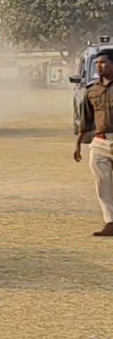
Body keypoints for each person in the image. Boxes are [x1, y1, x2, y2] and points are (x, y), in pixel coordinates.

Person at [74, 50, 113, 236]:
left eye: (103, 62)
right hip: (99, 142)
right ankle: (110, 221)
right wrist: (79, 144)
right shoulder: (91, 90)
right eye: (97, 63)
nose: (98, 66)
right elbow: (85, 120)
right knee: (102, 183)